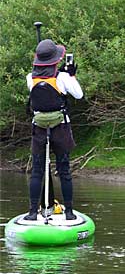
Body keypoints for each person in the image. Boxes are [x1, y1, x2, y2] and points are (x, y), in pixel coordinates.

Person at [24, 39, 83, 221]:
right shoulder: (63, 78)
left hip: (39, 128)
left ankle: (33, 213)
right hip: (60, 128)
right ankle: (70, 213)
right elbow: (79, 95)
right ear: (56, 60)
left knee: (37, 171)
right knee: (64, 170)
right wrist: (71, 75)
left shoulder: (30, 78)